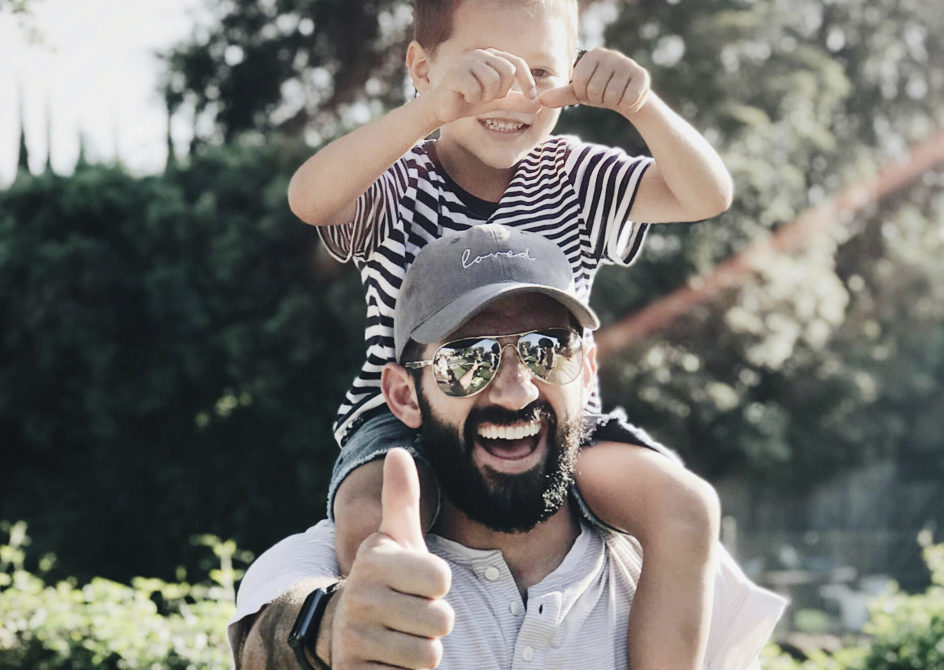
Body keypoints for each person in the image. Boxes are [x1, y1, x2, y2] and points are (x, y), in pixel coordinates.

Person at [287, 0, 737, 666]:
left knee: (686, 506)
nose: (513, 95)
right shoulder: (397, 178)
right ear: (422, 67)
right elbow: (309, 199)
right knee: (371, 515)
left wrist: (642, 107)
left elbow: (707, 195)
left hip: (558, 415)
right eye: (484, 70)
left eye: (540, 72)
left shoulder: (576, 176)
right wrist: (428, 112)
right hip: (407, 419)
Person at [229, 226, 786, 669]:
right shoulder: (328, 563)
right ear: (404, 395)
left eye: (548, 350)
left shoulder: (674, 569)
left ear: (588, 371)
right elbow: (266, 640)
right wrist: (329, 630)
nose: (517, 392)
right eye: (467, 360)